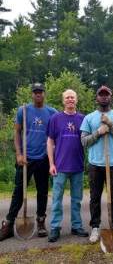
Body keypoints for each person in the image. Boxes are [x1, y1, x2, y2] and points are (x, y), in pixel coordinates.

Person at [0, 83, 57, 241]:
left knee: (42, 191)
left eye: (40, 92)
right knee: (18, 192)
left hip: (43, 158)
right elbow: (17, 132)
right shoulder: (23, 110)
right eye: (35, 92)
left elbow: (56, 134)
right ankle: (9, 224)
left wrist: (54, 155)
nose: (38, 94)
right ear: (32, 94)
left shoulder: (52, 112)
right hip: (26, 158)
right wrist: (18, 154)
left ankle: (40, 222)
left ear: (44, 94)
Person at [80, 85, 113, 247]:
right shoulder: (89, 118)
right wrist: (99, 132)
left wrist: (111, 125)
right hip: (95, 164)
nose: (103, 97)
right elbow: (84, 142)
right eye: (101, 95)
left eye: (106, 95)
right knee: (95, 198)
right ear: (97, 98)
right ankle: (95, 227)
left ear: (111, 97)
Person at [47, 89, 88, 242]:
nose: (70, 99)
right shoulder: (55, 118)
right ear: (63, 101)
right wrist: (51, 163)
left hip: (77, 166)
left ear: (76, 100)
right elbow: (50, 141)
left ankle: (76, 226)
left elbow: (87, 140)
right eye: (67, 97)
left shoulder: (83, 119)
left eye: (72, 97)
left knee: (76, 199)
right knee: (56, 199)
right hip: (59, 166)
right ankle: (55, 228)